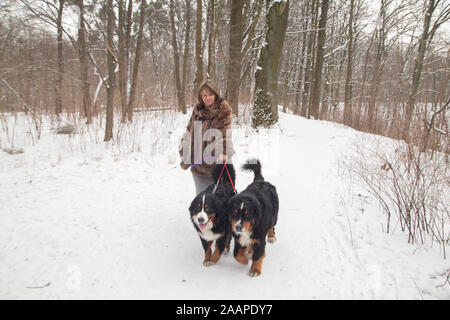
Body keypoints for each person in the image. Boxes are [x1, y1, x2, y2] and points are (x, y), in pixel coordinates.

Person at [179, 80, 234, 195]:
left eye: (210, 94)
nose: (207, 98)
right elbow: (189, 130)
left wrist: (223, 151)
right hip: (197, 164)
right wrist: (184, 148)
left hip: (215, 164)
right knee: (201, 197)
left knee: (217, 200)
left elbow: (224, 134)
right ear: (200, 96)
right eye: (204, 95)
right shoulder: (198, 111)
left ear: (215, 95)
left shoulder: (222, 111)